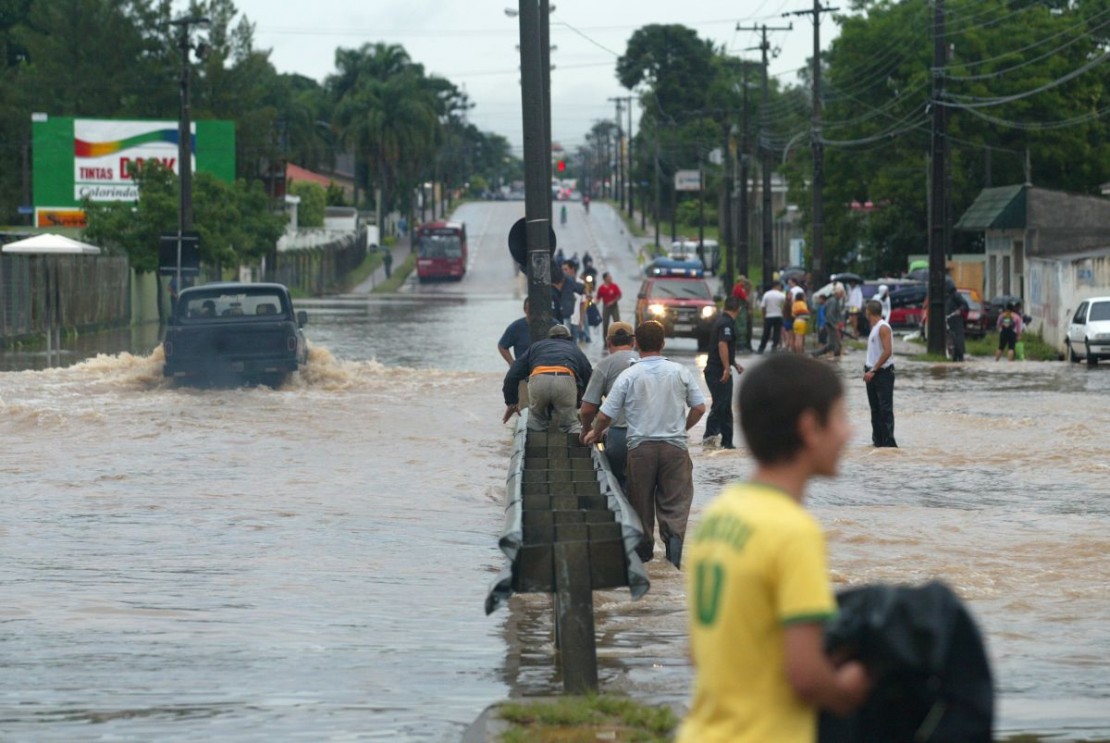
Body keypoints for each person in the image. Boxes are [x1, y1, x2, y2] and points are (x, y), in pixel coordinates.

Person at [678, 354, 872, 743]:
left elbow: (698, 652)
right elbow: (805, 676)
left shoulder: (721, 514)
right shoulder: (793, 532)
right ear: (809, 428)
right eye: (840, 417)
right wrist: (853, 685)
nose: (849, 433)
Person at [583, 321, 706, 567]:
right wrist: (682, 430)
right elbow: (699, 407)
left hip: (640, 449)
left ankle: (644, 556)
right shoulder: (680, 371)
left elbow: (605, 414)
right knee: (675, 503)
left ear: (637, 343)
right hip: (675, 449)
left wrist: (594, 433)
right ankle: (673, 555)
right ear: (663, 343)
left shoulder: (629, 374)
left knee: (640, 503)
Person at [579, 322, 639, 488]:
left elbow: (587, 409)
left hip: (620, 437)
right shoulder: (645, 362)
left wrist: (587, 431)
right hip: (650, 438)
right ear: (633, 342)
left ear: (608, 342)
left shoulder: (604, 366)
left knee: (617, 487)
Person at [502, 324, 592, 433]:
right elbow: (589, 376)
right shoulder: (574, 348)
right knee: (570, 425)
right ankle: (580, 445)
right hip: (564, 381)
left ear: (549, 338)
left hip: (539, 380)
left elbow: (512, 375)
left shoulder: (536, 347)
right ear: (569, 338)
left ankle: (532, 443)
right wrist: (588, 402)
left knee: (536, 421)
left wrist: (511, 402)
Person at [702, 296, 745, 449]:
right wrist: (727, 368)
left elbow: (721, 347)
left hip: (717, 369)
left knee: (725, 406)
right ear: (738, 309)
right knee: (720, 405)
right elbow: (722, 345)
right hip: (718, 371)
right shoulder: (726, 323)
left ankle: (727, 442)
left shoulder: (721, 321)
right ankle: (709, 439)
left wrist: (733, 363)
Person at [863, 299, 897, 448]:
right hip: (871, 372)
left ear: (869, 312)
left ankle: (889, 444)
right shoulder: (874, 327)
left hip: (881, 373)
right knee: (875, 410)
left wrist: (874, 369)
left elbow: (887, 351)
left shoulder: (883, 327)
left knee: (885, 410)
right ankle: (878, 443)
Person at [812, 284, 844, 359]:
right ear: (837, 293)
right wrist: (834, 325)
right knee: (836, 345)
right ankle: (836, 360)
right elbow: (830, 314)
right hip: (831, 325)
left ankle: (816, 354)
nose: (842, 295)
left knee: (832, 344)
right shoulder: (833, 301)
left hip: (831, 324)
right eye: (841, 293)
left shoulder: (834, 300)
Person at [757, 280, 787, 354]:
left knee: (766, 333)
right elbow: (785, 304)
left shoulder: (767, 294)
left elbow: (763, 306)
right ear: (777, 286)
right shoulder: (781, 295)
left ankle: (761, 348)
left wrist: (764, 316)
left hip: (769, 316)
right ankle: (774, 347)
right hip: (778, 315)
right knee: (776, 332)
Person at [945, 285, 969, 362]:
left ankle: (960, 356)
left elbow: (965, 304)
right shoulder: (947, 297)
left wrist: (959, 310)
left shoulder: (956, 295)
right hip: (949, 320)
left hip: (956, 320)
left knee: (958, 339)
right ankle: (954, 356)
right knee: (952, 338)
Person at [596, 272, 622, 340]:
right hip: (606, 307)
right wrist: (592, 304)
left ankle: (618, 338)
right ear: (605, 279)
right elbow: (598, 298)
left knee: (617, 323)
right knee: (605, 324)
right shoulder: (601, 288)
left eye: (610, 277)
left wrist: (613, 301)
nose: (610, 278)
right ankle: (605, 340)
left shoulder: (614, 286)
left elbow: (619, 295)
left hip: (614, 306)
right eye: (609, 277)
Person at [791, 289, 810, 354]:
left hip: (796, 322)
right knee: (800, 339)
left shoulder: (794, 304)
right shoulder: (803, 304)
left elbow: (793, 314)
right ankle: (800, 354)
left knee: (796, 339)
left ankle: (796, 353)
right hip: (802, 322)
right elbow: (805, 313)